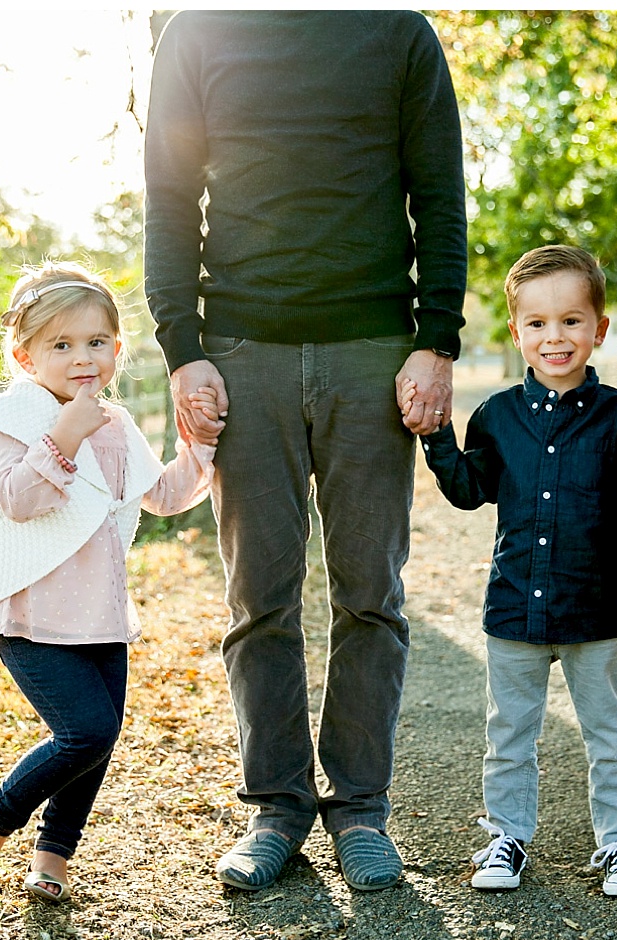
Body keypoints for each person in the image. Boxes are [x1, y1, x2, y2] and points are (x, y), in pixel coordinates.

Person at [143, 11, 467, 892]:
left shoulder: (399, 33)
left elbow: (439, 189)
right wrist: (184, 350)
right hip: (243, 353)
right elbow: (170, 195)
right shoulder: (197, 31)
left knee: (371, 594)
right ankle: (276, 808)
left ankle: (361, 809)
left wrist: (437, 339)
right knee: (260, 601)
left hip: (372, 353)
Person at [0, 262, 219, 902]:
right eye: (61, 346)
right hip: (31, 611)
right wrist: (63, 436)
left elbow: (160, 495)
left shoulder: (116, 424)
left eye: (96, 343)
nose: (81, 359)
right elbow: (16, 500)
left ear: (117, 349)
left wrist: (198, 449)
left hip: (98, 610)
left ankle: (52, 856)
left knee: (97, 741)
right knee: (85, 732)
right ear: (25, 356)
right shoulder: (13, 416)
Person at [409, 245, 617, 896]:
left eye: (571, 321)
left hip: (596, 610)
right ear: (516, 331)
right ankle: (506, 836)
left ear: (600, 328)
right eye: (538, 324)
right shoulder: (497, 417)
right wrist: (438, 436)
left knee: (609, 734)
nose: (555, 337)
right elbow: (471, 490)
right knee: (509, 734)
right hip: (515, 609)